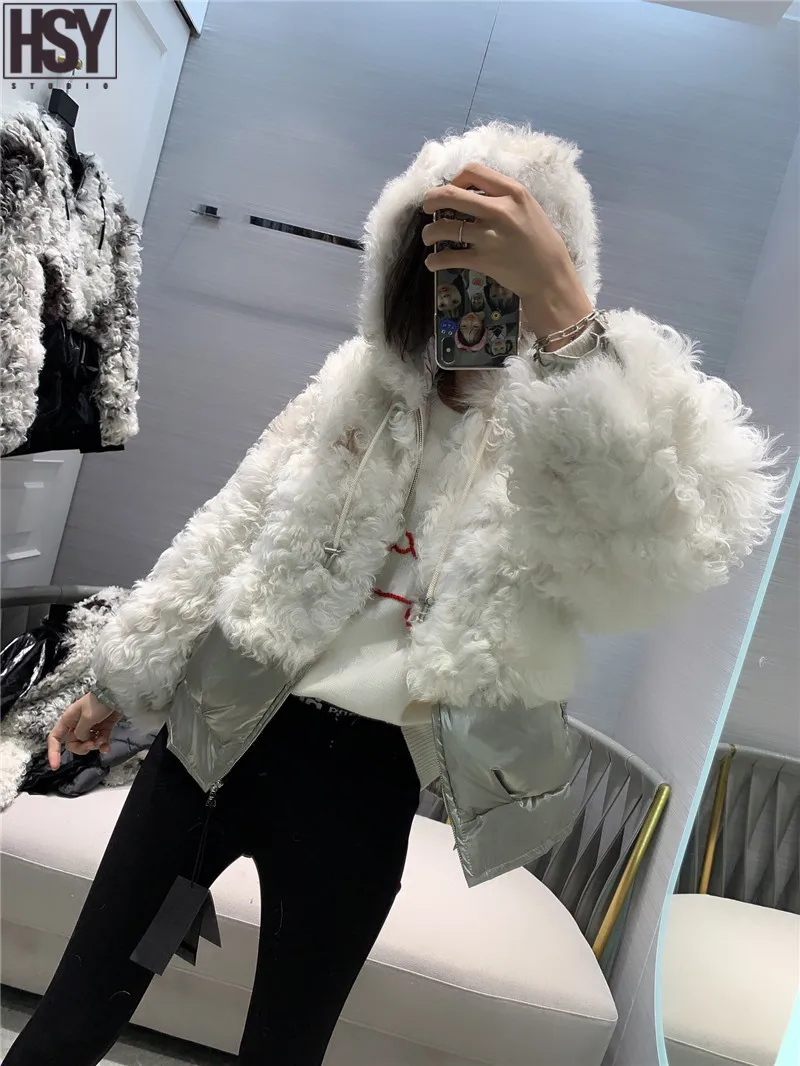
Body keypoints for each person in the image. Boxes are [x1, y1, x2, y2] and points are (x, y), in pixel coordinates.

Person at [5, 122, 781, 1066]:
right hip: (215, 735)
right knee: (73, 1016)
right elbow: (232, 525)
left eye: (495, 270)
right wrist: (119, 681)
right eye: (438, 261)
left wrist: (567, 319)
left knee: (285, 1050)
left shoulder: (564, 440)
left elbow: (667, 535)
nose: (462, 292)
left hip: (366, 784)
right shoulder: (357, 383)